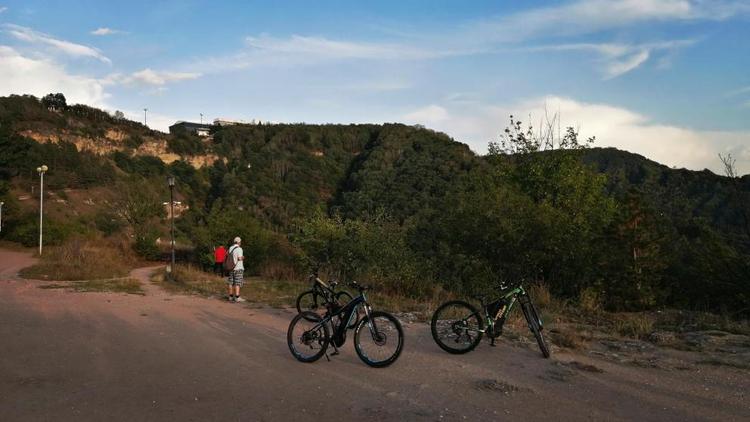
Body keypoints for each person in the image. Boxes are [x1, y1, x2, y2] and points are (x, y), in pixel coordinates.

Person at [226, 237, 245, 302]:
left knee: (231, 282)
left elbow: (227, 254)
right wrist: (243, 257)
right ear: (239, 242)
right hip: (238, 268)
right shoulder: (239, 249)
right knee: (237, 283)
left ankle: (230, 296)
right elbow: (239, 258)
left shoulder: (230, 248)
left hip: (231, 267)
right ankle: (237, 297)